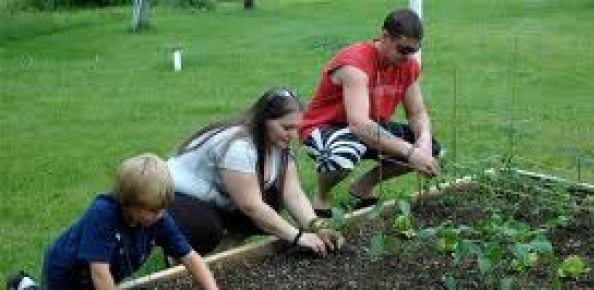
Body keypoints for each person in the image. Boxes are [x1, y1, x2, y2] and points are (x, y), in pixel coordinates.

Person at [5, 154, 244, 290]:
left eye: (162, 209)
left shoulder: (157, 219)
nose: (159, 215)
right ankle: (23, 288)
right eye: (152, 210)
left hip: (102, 274)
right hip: (66, 273)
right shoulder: (102, 215)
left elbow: (190, 257)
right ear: (127, 202)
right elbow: (99, 271)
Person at [167, 87, 344, 256]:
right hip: (174, 196)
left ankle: (224, 249)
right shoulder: (239, 148)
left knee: (272, 199)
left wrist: (317, 226)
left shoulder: (278, 144)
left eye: (297, 128)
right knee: (207, 227)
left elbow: (293, 194)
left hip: (213, 198)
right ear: (263, 120)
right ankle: (177, 254)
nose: (294, 135)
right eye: (286, 127)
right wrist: (298, 237)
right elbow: (250, 206)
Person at [300, 8, 442, 217]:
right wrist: (411, 153)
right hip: (325, 127)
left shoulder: (407, 66)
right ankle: (321, 197)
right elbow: (359, 125)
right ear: (385, 36)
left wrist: (424, 141)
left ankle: (363, 187)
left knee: (432, 149)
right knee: (340, 154)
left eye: (413, 51)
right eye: (402, 50)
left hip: (369, 126)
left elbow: (417, 113)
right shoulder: (355, 63)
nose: (407, 57)